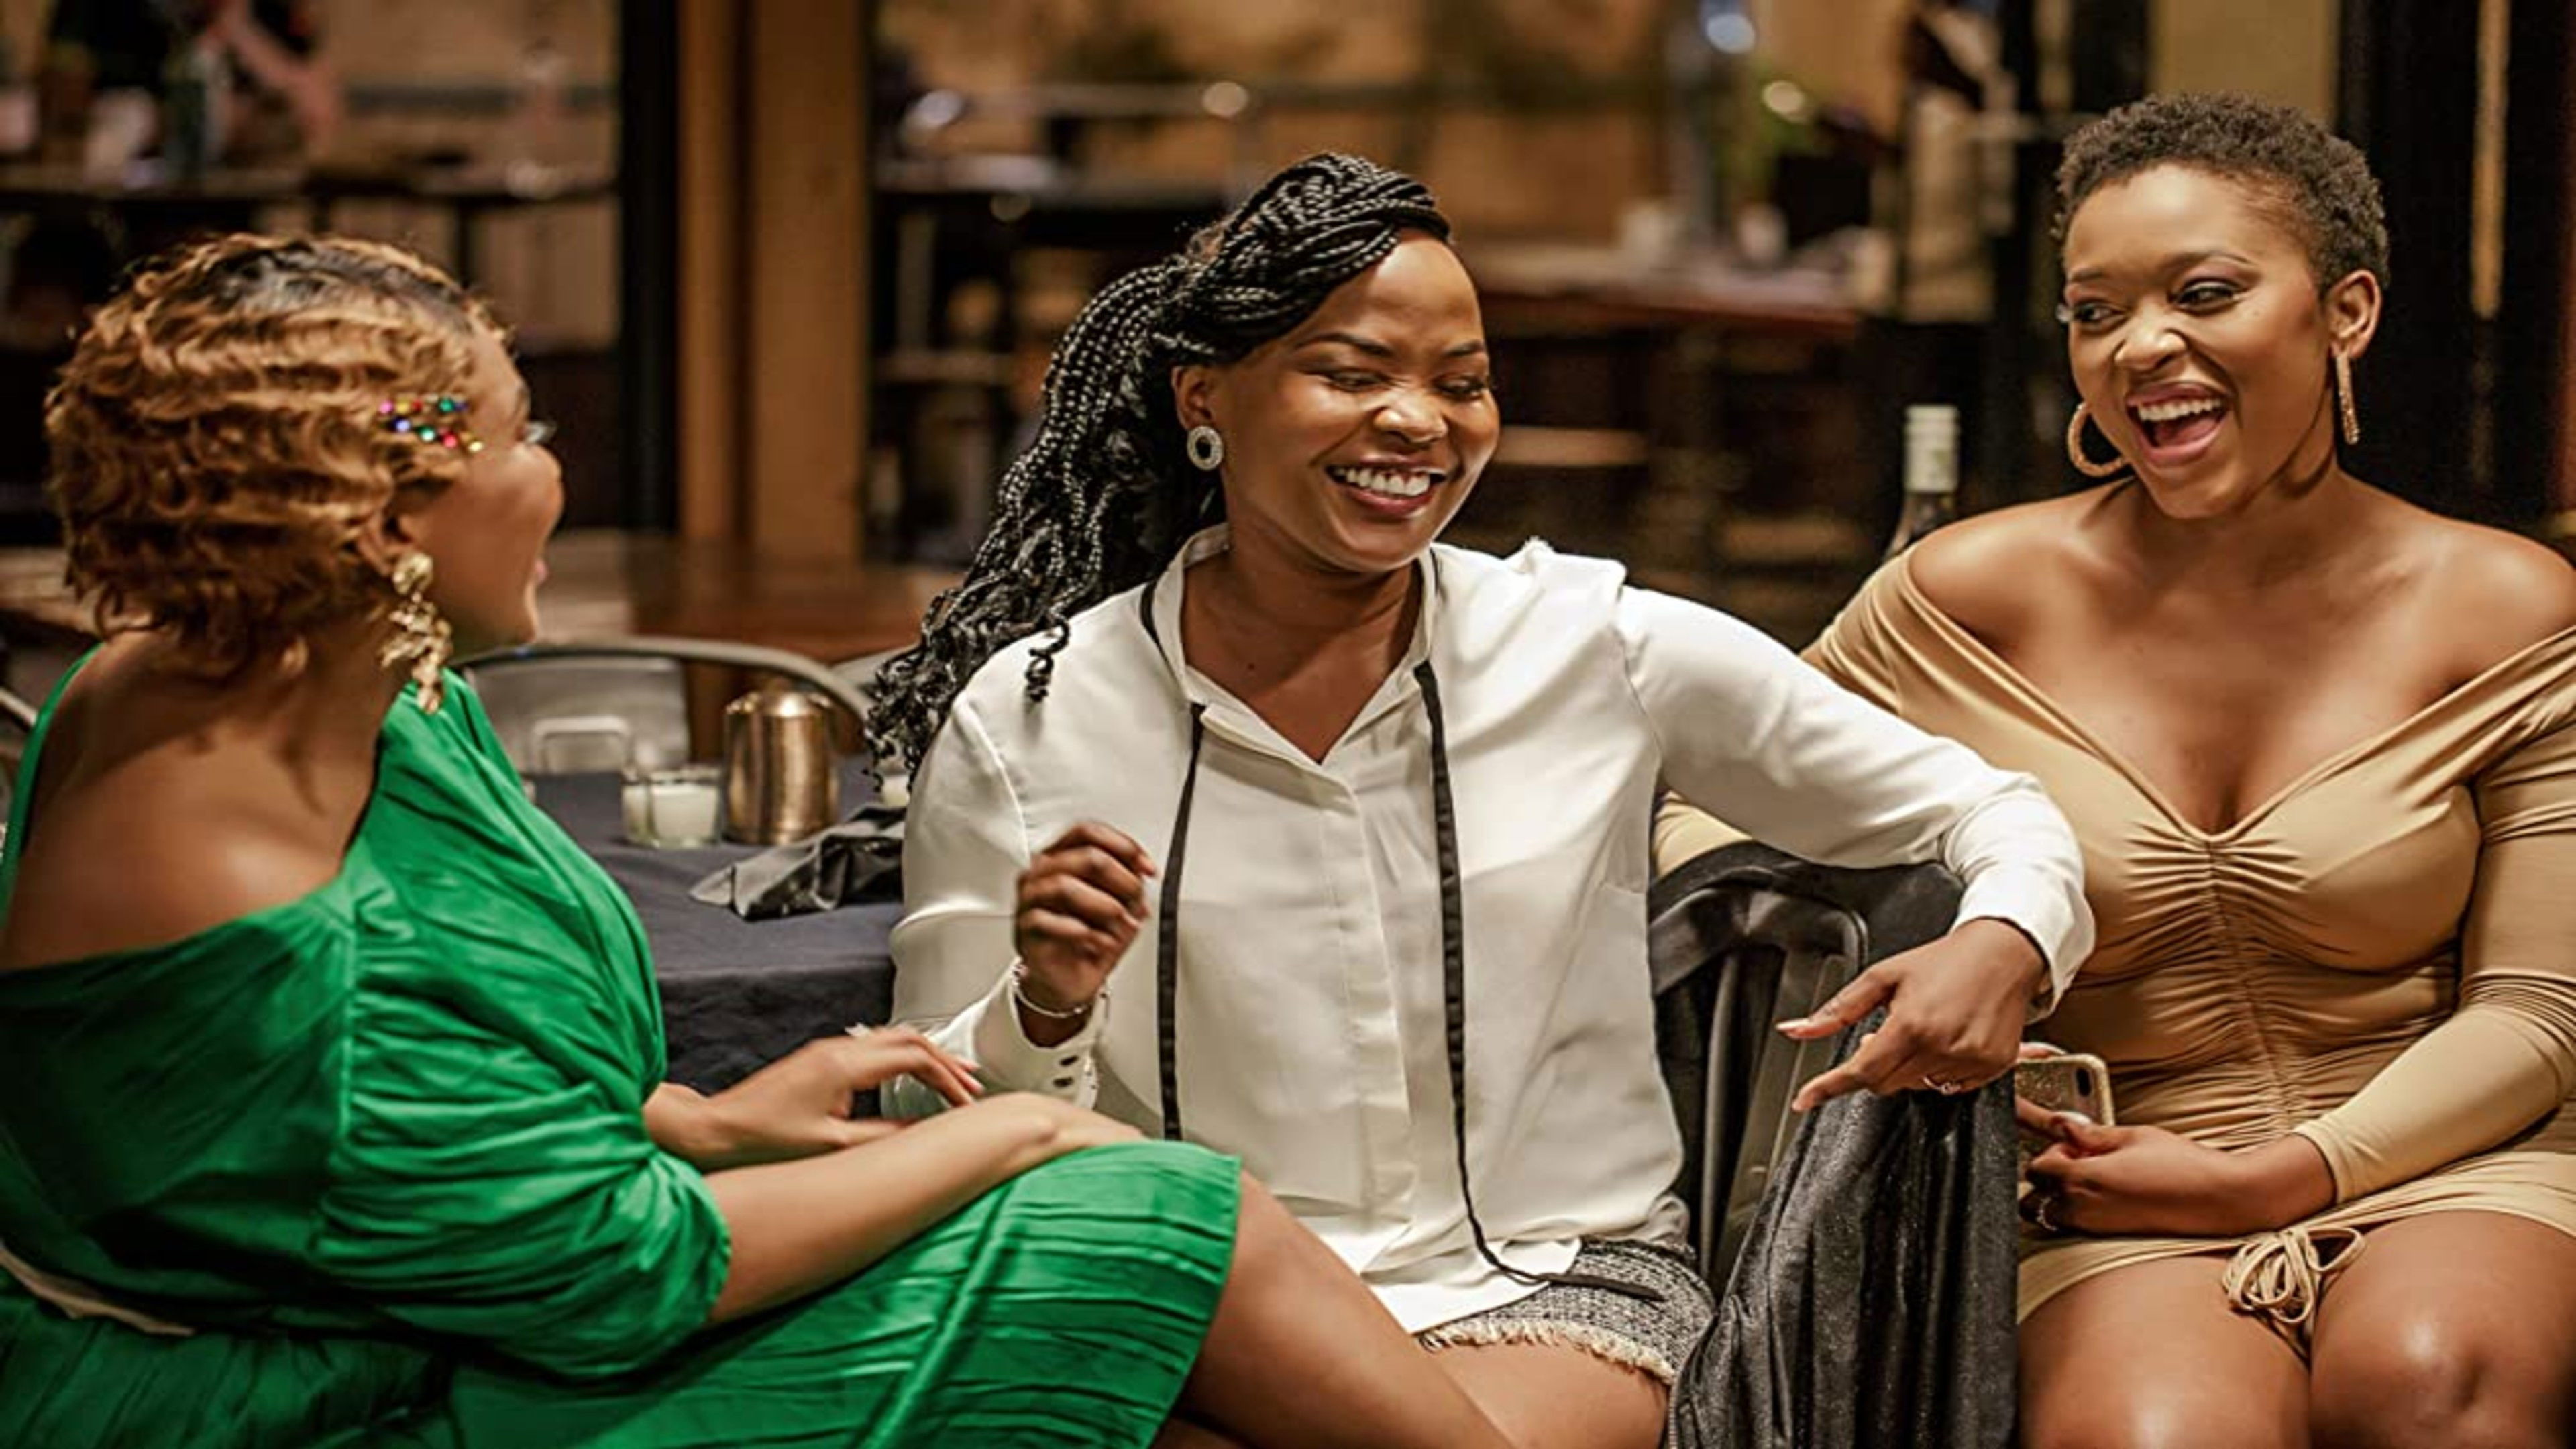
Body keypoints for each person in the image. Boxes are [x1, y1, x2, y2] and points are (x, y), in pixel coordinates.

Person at [0, 233, 1524, 1449]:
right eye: (526, 434)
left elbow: (313, 1156)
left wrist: (691, 1117)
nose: (557, 475)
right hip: (329, 1398)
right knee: (1156, 1214)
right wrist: (1024, 1130)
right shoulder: (292, 928)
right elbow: (623, 1273)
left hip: (439, 1290)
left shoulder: (321, 679)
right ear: (390, 519)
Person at [874, 153, 2095, 1449]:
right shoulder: (1031, 720)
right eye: (1351, 374)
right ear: (1205, 397)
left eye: (1461, 383)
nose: (1418, 421)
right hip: (1187, 1305)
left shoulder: (1594, 647)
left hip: (1542, 1288)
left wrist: (2003, 940)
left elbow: (1993, 813)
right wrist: (1045, 1004)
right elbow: (921, 1117)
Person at [1658, 92, 2576, 1448]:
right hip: (2100, 1182)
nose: (2142, 346)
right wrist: (1954, 923)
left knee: (2434, 1379)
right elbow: (1701, 816)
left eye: (2205, 294)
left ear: (2347, 313)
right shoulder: (1968, 600)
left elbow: (2540, 1011)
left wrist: (2276, 1177)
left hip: (2454, 1152)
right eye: (2096, 312)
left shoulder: (2503, 608)